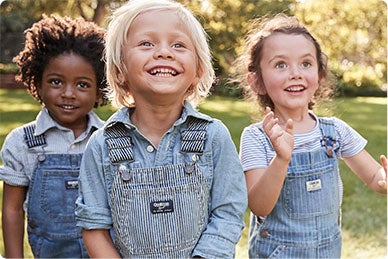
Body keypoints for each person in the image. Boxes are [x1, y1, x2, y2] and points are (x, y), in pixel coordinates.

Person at [74, 0, 247, 258]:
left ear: (197, 70)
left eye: (178, 45)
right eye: (146, 44)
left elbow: (228, 213)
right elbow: (94, 227)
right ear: (120, 70)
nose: (164, 52)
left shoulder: (213, 137)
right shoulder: (101, 146)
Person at [233, 14, 387, 258]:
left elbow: (373, 176)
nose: (295, 73)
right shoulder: (257, 137)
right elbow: (259, 205)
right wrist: (281, 160)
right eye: (280, 65)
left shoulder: (335, 131)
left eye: (306, 63)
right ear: (257, 82)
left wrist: (384, 180)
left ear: (320, 75)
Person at [0, 14, 109, 258]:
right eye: (56, 82)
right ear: (37, 84)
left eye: (82, 85)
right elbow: (12, 209)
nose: (69, 93)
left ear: (98, 90)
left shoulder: (110, 139)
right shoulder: (23, 143)